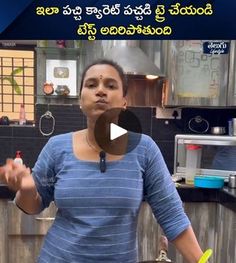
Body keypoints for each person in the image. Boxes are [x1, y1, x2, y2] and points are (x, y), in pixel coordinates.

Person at [0, 59, 204, 263]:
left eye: (111, 85)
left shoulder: (144, 150)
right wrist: (26, 189)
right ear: (80, 99)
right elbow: (32, 206)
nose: (100, 91)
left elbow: (172, 217)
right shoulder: (56, 148)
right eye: (91, 85)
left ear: (124, 101)